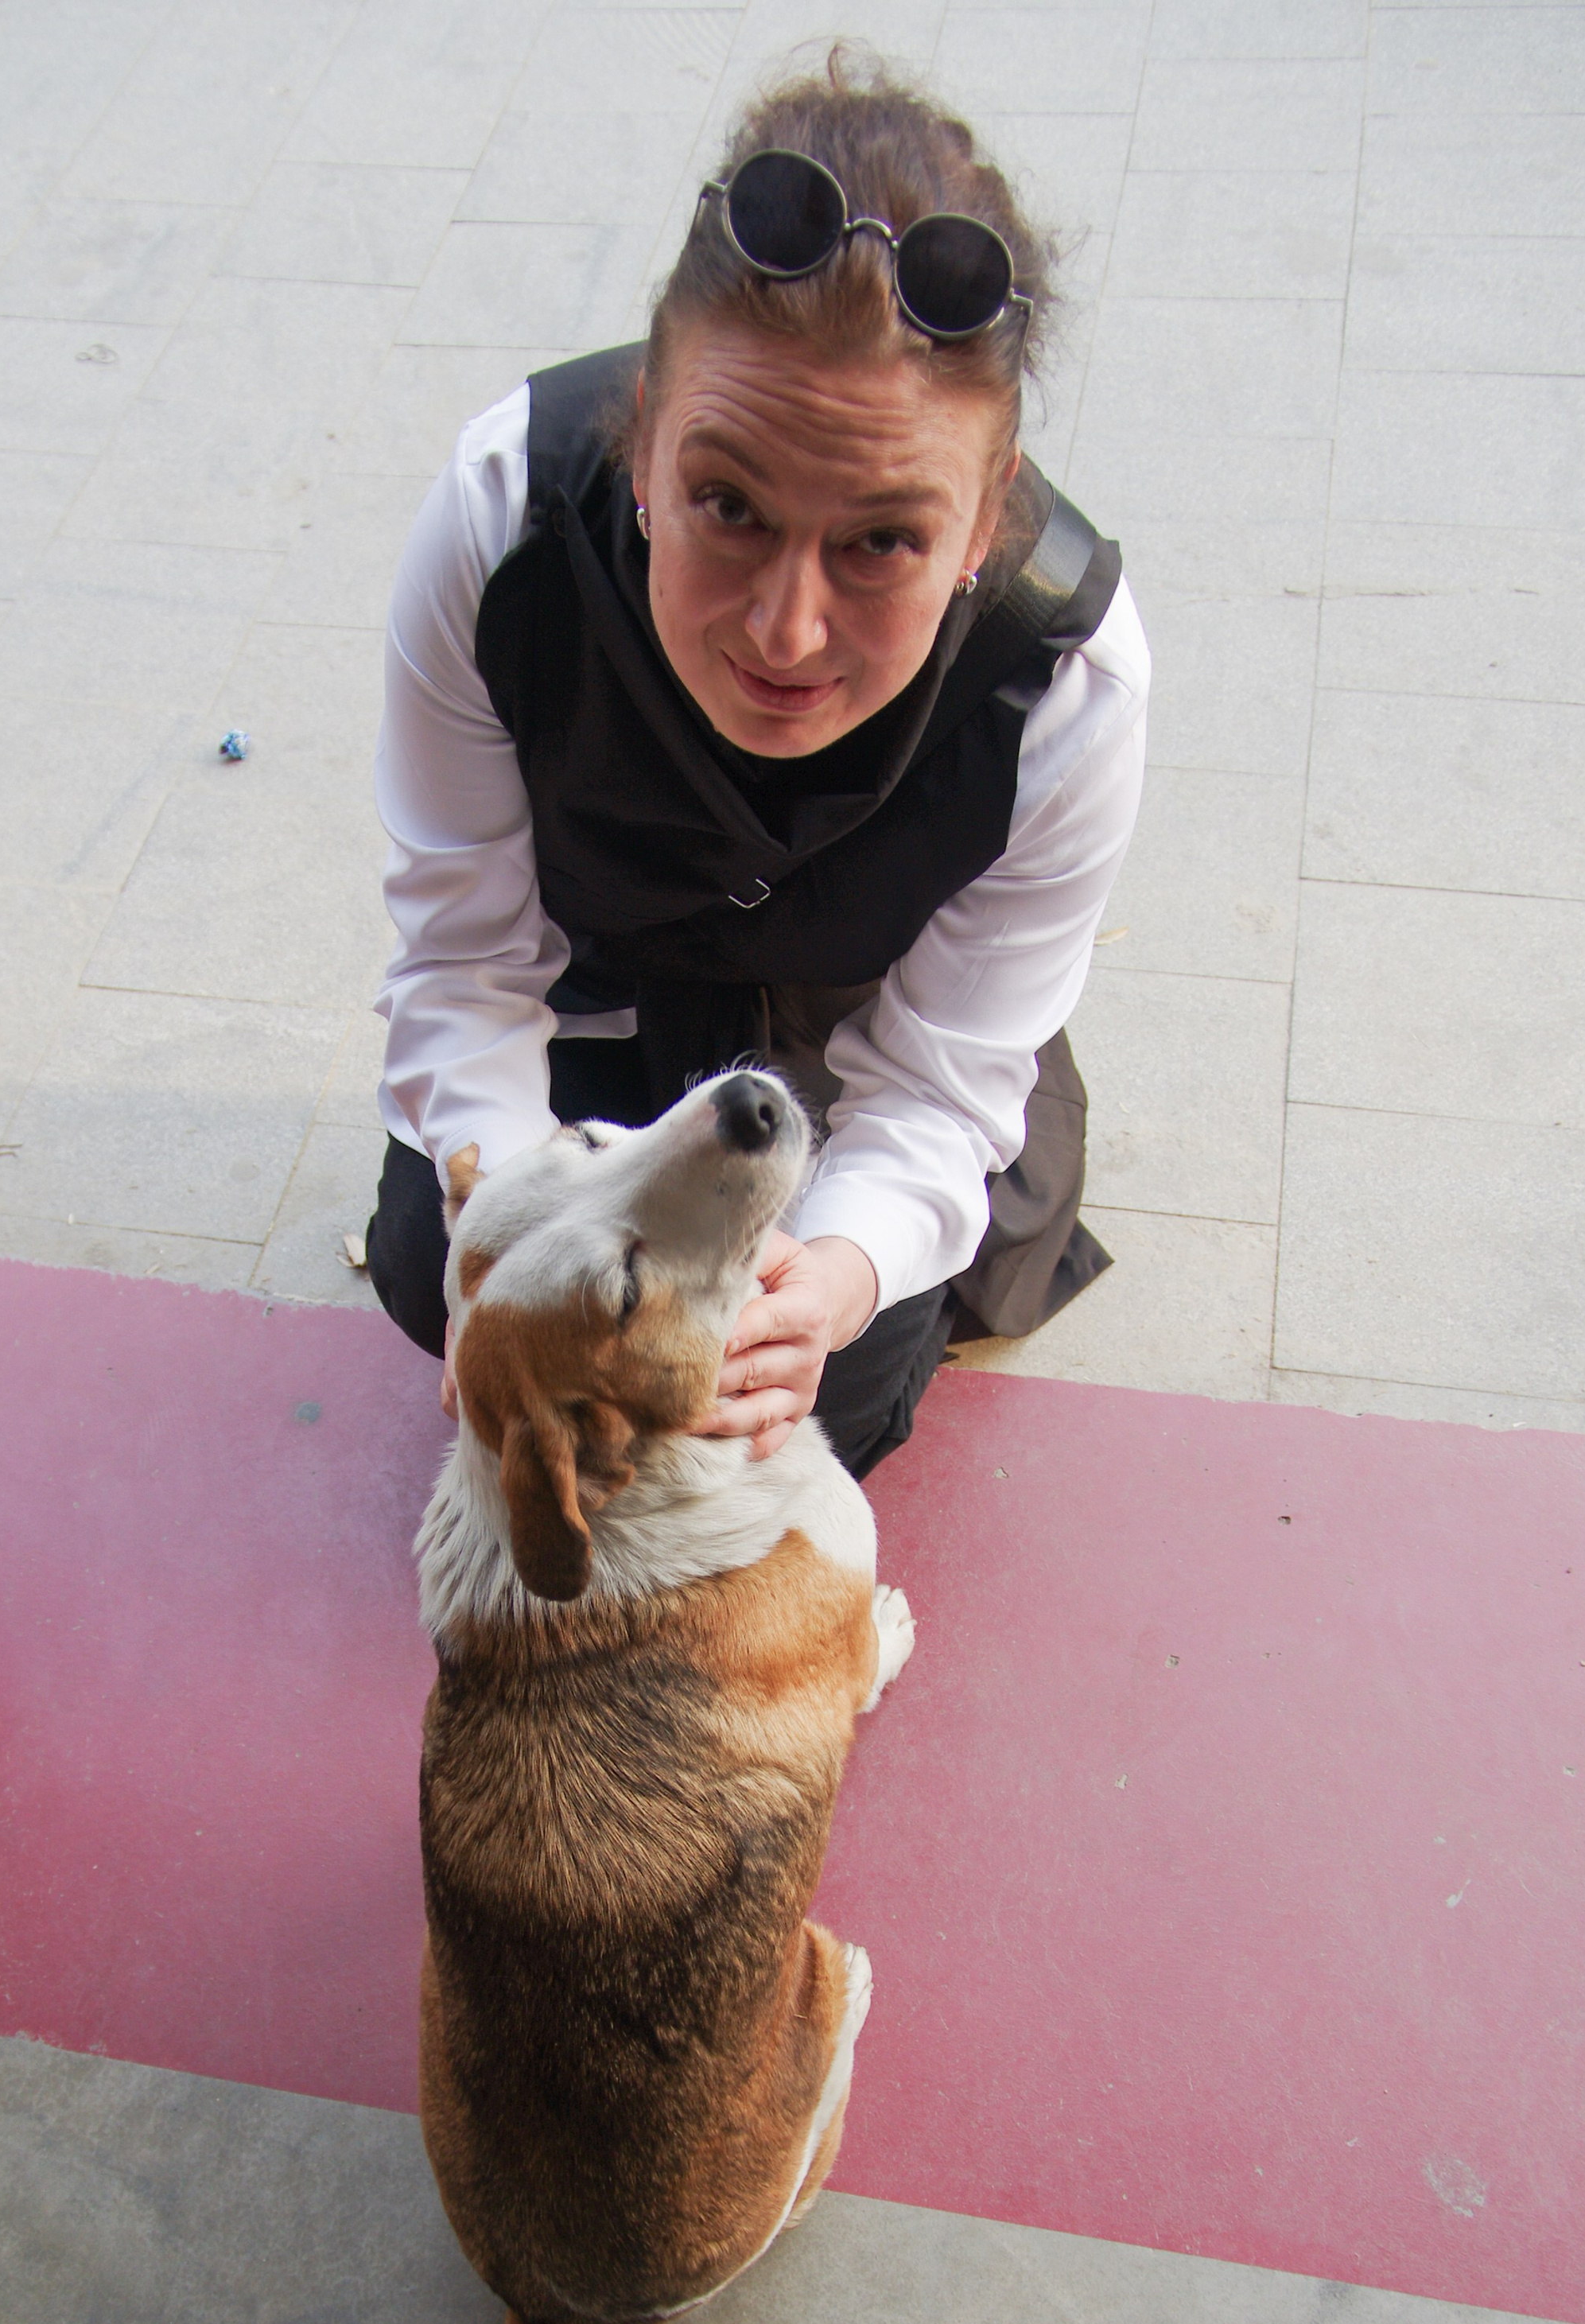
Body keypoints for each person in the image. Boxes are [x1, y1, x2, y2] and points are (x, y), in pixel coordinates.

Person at [363, 54, 1148, 1480]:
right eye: (726, 503)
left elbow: (941, 1080)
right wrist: (505, 1233)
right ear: (648, 433)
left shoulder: (1069, 679)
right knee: (427, 1267)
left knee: (801, 1411)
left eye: (885, 542)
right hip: (607, 983)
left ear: (985, 523)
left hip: (873, 1025)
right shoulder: (496, 532)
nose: (788, 629)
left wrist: (830, 1282)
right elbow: (467, 965)